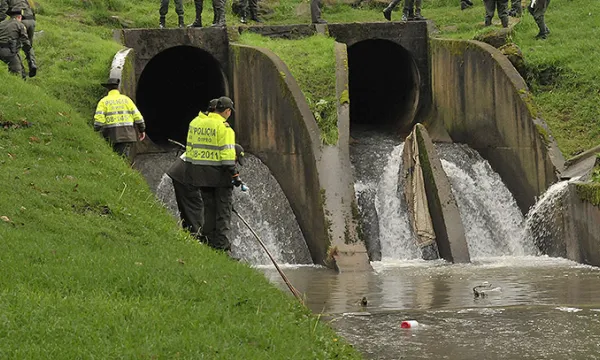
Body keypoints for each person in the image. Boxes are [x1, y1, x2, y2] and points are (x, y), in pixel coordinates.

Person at [182, 96, 242, 253]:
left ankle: (208, 242)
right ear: (227, 111)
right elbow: (228, 158)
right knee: (223, 212)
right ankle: (222, 246)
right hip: (219, 177)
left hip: (200, 174)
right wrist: (235, 176)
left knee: (208, 210)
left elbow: (190, 149)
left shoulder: (196, 123)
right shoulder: (225, 128)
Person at [166, 99, 219, 239]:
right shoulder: (217, 128)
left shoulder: (197, 121)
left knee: (190, 210)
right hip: (185, 174)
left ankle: (192, 239)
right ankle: (198, 241)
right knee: (195, 208)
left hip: (181, 170)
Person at [93, 78, 146, 158]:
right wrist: (141, 130)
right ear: (118, 88)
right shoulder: (127, 100)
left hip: (111, 135)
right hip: (127, 135)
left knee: (113, 159)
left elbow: (99, 121)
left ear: (108, 89)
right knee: (123, 159)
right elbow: (138, 117)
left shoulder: (103, 101)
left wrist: (95, 131)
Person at [0, 7, 35, 80]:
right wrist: (29, 55)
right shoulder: (19, 25)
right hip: (8, 51)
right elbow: (25, 42)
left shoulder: (2, 23)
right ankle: (16, 84)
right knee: (17, 72)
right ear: (19, 17)